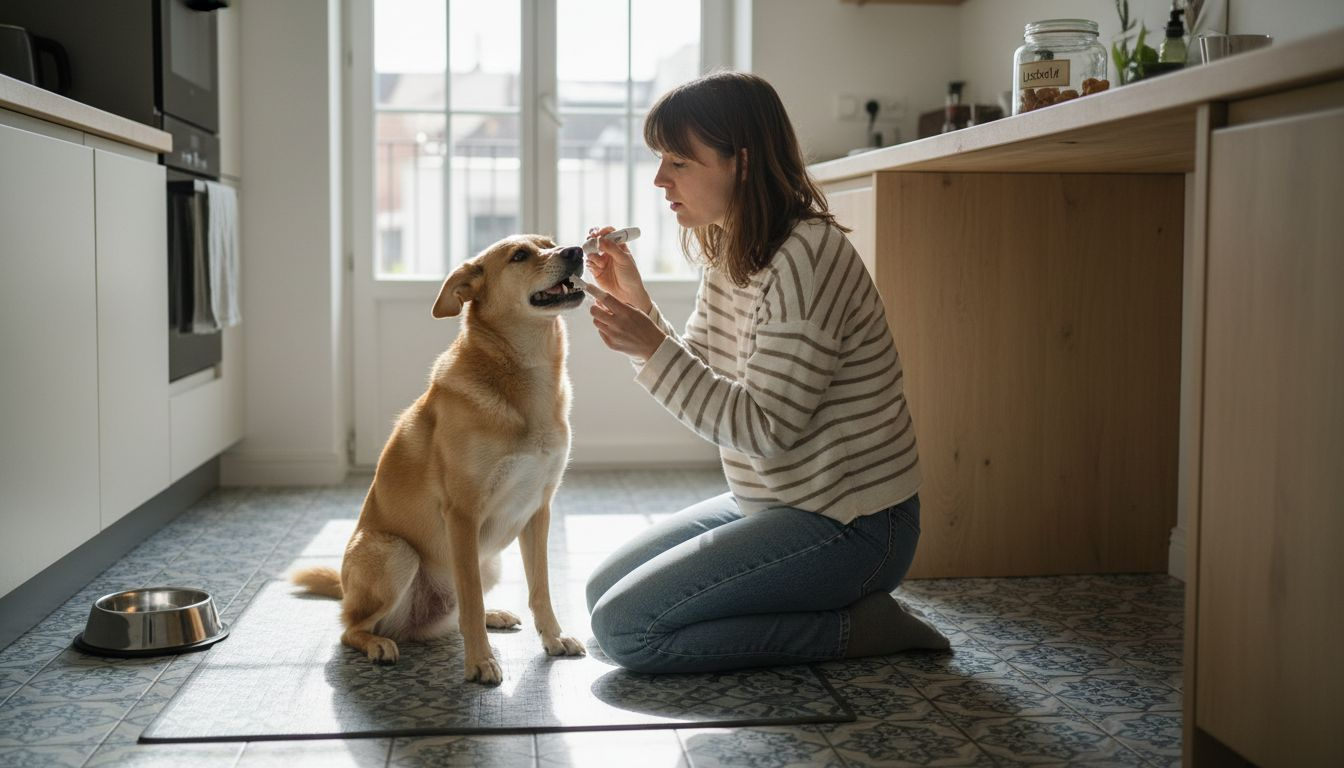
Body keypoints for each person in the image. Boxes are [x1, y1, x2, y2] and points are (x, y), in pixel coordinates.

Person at [582, 71, 947, 674]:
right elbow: (703, 374)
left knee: (627, 632)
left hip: (854, 524)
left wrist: (649, 344)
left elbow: (763, 429)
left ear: (741, 163)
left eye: (678, 161)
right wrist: (640, 307)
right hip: (776, 502)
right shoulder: (732, 248)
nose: (659, 180)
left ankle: (856, 627)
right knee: (602, 596)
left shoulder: (806, 257)